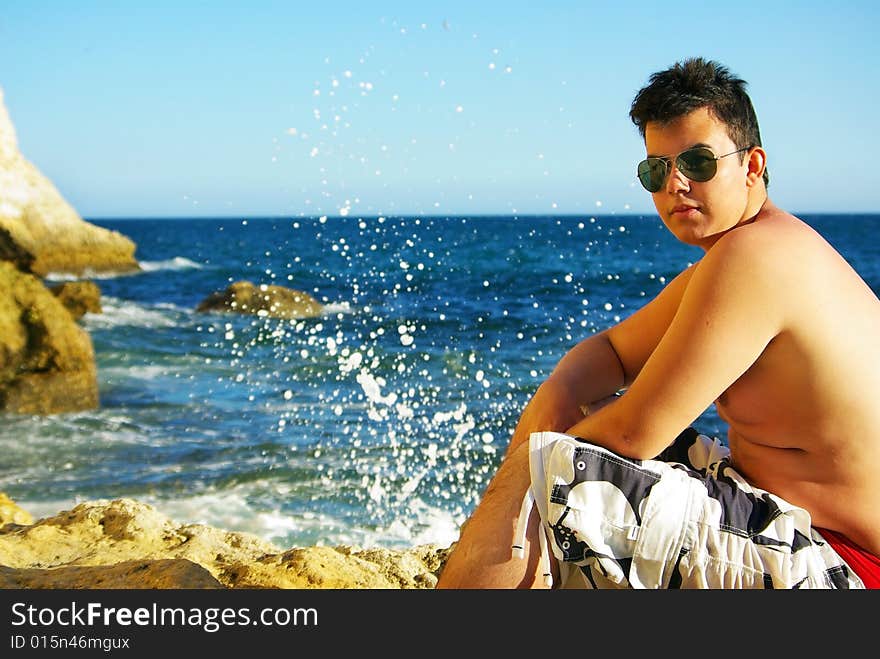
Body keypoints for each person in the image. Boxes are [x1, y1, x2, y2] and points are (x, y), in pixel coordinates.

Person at [436, 57, 880, 589]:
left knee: (552, 467)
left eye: (697, 162)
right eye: (655, 169)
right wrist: (559, 392)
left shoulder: (758, 258)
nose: (675, 184)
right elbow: (613, 354)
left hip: (844, 564)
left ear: (752, 165)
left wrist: (530, 456)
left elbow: (637, 432)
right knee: (570, 424)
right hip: (793, 526)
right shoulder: (752, 252)